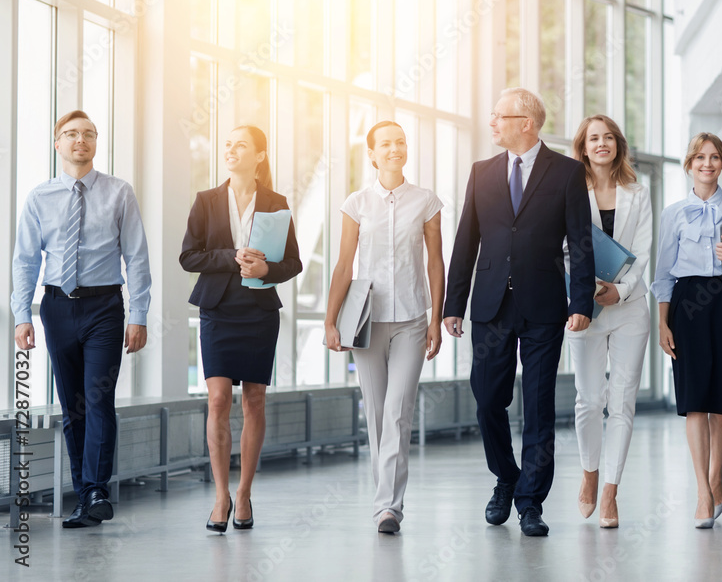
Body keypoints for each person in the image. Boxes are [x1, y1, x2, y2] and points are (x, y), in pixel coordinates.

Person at [444, 87, 595, 537]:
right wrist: (453, 303)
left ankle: (531, 501)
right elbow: (465, 240)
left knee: (539, 405)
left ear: (526, 123)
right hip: (491, 304)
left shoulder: (566, 172)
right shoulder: (481, 172)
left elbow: (581, 240)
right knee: (489, 399)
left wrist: (581, 301)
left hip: (544, 305)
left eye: (499, 116)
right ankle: (506, 475)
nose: (491, 123)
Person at [12, 110, 151, 528]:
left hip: (105, 308)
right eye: (71, 134)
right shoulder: (40, 197)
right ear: (58, 144)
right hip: (56, 307)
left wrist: (139, 314)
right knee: (72, 405)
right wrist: (23, 315)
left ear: (95, 143)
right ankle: (84, 493)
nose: (80, 141)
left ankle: (95, 490)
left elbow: (137, 257)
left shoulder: (119, 192)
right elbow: (24, 261)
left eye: (88, 134)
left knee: (97, 398)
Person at [324, 121, 445, 534]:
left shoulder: (426, 201)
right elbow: (343, 265)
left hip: (411, 320)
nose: (395, 149)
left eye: (401, 142)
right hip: (366, 322)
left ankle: (388, 508)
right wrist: (330, 321)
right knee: (376, 414)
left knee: (397, 411)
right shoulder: (356, 204)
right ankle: (384, 502)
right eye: (386, 144)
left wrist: (435, 319)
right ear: (372, 154)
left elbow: (434, 263)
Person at [180, 125, 302, 534]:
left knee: (254, 402)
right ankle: (220, 495)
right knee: (218, 400)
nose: (231, 150)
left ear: (260, 157)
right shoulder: (206, 201)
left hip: (259, 312)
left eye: (241, 145)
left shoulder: (277, 203)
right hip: (217, 310)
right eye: (227, 144)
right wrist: (231, 256)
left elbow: (293, 264)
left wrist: (267, 268)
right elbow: (188, 257)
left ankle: (245, 492)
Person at [651, 132, 722, 529]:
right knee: (694, 401)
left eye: (715, 157)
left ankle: (717, 475)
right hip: (687, 305)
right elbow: (663, 274)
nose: (707, 164)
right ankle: (702, 490)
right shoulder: (673, 214)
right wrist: (662, 321)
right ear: (689, 164)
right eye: (700, 157)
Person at [566, 115, 652, 529]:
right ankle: (589, 472)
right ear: (583, 147)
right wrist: (589, 288)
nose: (602, 144)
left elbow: (643, 250)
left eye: (608, 138)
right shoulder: (568, 192)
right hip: (586, 309)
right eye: (593, 139)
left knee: (622, 402)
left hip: (629, 310)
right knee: (588, 399)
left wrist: (621, 290)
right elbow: (560, 249)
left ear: (618, 144)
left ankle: (610, 491)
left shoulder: (638, 192)